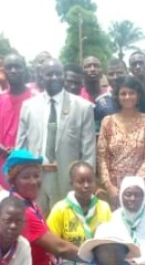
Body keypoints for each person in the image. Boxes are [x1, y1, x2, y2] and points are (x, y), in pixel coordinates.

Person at [2, 150, 79, 265]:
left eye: (37, 175)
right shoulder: (22, 211)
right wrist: (95, 254)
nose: (34, 181)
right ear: (13, 181)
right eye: (26, 177)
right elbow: (59, 247)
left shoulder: (31, 205)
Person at [15, 59, 96, 214]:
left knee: (67, 223)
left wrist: (86, 182)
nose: (54, 78)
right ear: (40, 76)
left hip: (68, 179)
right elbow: (21, 146)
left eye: (58, 74)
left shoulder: (82, 107)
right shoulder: (29, 106)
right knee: (38, 223)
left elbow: (89, 150)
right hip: (36, 177)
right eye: (49, 74)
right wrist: (19, 177)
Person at [46, 162, 112, 265]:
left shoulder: (103, 207)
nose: (86, 185)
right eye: (80, 182)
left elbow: (111, 240)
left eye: (90, 181)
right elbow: (51, 245)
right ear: (71, 183)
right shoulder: (60, 209)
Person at [97, 77, 145, 202]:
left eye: (131, 93)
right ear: (117, 97)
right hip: (115, 187)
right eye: (123, 93)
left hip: (140, 184)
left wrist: (137, 183)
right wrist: (108, 185)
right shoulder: (108, 122)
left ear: (138, 96)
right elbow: (102, 157)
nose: (127, 97)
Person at [0, 54, 34, 188]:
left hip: (29, 165)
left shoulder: (36, 99)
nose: (13, 71)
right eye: (9, 67)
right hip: (5, 166)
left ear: (25, 69)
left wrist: (19, 150)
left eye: (17, 67)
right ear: (4, 71)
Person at [108, 176, 145, 263]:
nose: (132, 199)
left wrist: (139, 261)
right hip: (123, 264)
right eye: (128, 194)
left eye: (137, 195)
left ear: (144, 196)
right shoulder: (115, 217)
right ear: (121, 195)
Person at [93, 59, 130, 125]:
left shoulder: (138, 99)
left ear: (127, 73)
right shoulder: (101, 104)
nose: (115, 77)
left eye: (119, 73)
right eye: (111, 74)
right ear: (106, 76)